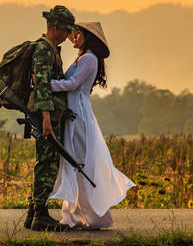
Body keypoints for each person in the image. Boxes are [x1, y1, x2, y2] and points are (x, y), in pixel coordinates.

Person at [48, 22, 135, 230]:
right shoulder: (82, 57)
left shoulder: (89, 58)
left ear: (90, 38)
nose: (75, 36)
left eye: (80, 34)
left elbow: (72, 84)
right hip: (74, 112)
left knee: (78, 164)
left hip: (78, 115)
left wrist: (46, 85)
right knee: (76, 164)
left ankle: (80, 217)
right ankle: (76, 216)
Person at [24, 5, 77, 232]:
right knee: (48, 164)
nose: (68, 36)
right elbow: (42, 87)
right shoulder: (45, 50)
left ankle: (34, 213)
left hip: (48, 114)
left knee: (44, 163)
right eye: (65, 30)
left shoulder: (50, 48)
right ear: (55, 27)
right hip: (47, 116)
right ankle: (41, 216)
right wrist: (46, 118)